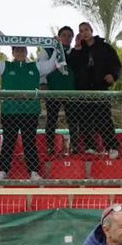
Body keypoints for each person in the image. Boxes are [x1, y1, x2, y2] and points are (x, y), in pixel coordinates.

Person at [0, 45, 59, 180]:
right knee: (8, 142)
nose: (20, 53)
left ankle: (34, 171)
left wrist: (57, 47)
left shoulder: (36, 66)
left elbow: (52, 65)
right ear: (13, 52)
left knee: (29, 142)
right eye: (17, 50)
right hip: (10, 111)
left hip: (30, 111)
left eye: (23, 50)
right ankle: (3, 171)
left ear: (27, 52)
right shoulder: (4, 66)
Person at [67, 22, 122, 157]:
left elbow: (116, 64)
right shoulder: (78, 49)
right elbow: (72, 66)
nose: (84, 32)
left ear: (91, 31)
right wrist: (77, 49)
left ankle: (112, 147)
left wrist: (113, 75)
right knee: (84, 120)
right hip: (83, 90)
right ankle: (90, 147)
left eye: (86, 29)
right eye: (81, 31)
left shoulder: (104, 47)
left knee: (103, 119)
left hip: (100, 88)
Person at [42, 26, 76, 155]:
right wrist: (43, 84)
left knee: (73, 120)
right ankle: (50, 148)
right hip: (53, 91)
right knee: (51, 120)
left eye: (69, 36)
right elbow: (41, 67)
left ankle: (74, 147)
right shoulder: (48, 50)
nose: (67, 38)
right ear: (59, 37)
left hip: (70, 92)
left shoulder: (75, 52)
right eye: (64, 35)